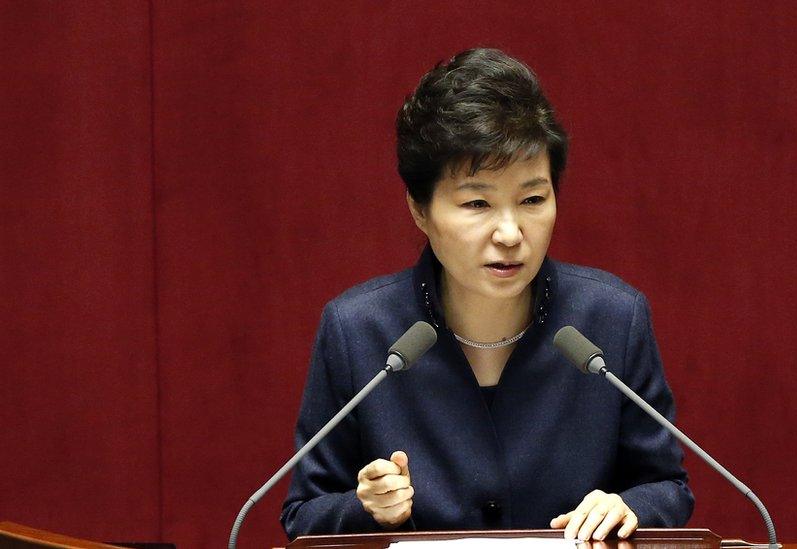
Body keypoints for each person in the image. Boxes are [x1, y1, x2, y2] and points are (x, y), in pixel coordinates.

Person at [281, 48, 693, 542]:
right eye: (478, 202)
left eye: (532, 200)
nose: (510, 232)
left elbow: (667, 486)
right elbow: (304, 515)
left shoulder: (612, 319)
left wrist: (627, 505)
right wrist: (366, 507)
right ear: (419, 210)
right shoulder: (357, 330)